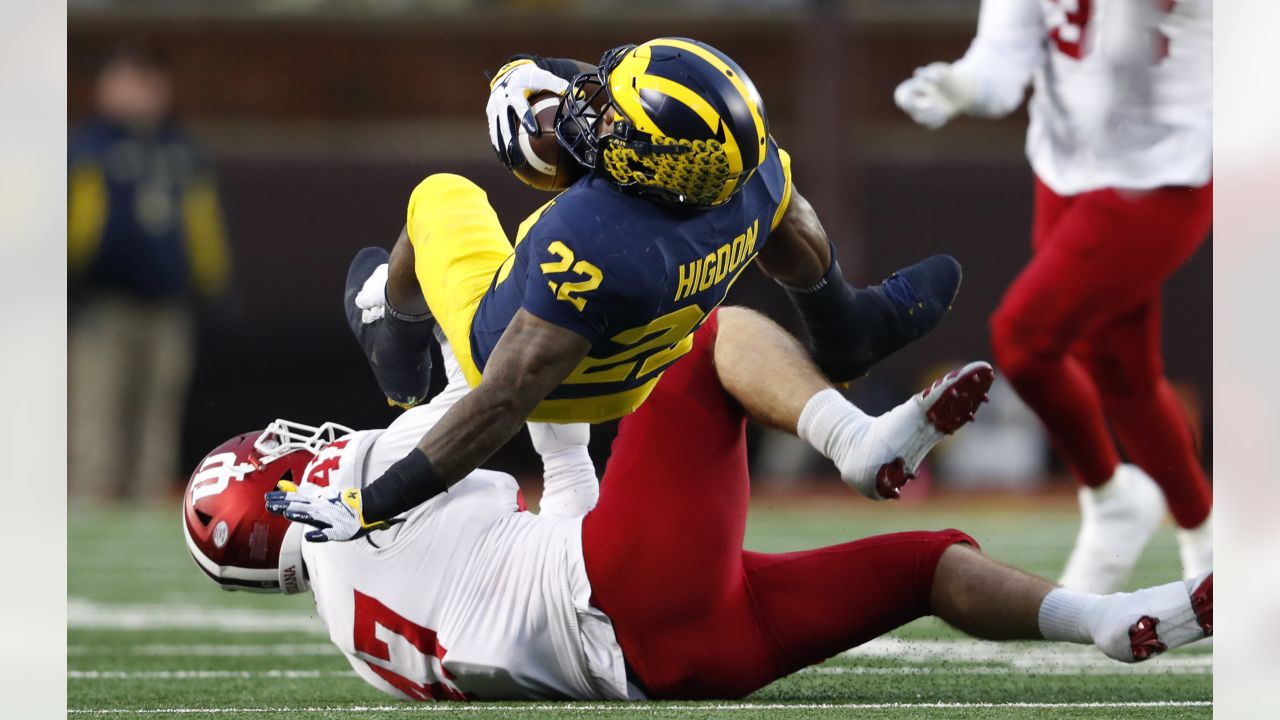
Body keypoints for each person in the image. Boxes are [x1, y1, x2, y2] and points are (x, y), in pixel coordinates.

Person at [183, 304, 1210, 702]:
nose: (304, 449)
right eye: (279, 459)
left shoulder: (358, 639)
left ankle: (1111, 623)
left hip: (672, 663)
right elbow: (502, 373)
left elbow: (542, 544)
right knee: (706, 340)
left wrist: (557, 420)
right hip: (623, 592)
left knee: (926, 564)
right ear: (281, 497)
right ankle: (855, 438)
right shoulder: (361, 495)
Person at [282, 37, 964, 540]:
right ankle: (846, 325)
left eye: (615, 115)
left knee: (440, 198)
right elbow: (781, 214)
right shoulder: (751, 173)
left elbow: (504, 400)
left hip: (556, 377)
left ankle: (394, 342)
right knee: (763, 207)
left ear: (652, 159)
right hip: (642, 365)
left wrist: (373, 502)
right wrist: (838, 316)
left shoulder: (585, 239)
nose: (597, 111)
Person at [893, 0, 1212, 592]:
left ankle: (1110, 496)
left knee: (1024, 339)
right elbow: (1005, 60)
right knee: (1124, 373)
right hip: (1066, 168)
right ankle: (1205, 534)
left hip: (1161, 171)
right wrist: (962, 85)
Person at [68, 40, 232, 503]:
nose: (138, 93)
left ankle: (147, 497)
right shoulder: (86, 148)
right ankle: (88, 499)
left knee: (157, 414)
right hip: (102, 303)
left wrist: (213, 285)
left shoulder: (181, 150)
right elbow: (69, 221)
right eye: (127, 80)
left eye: (148, 82)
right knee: (95, 412)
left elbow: (203, 224)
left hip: (166, 303)